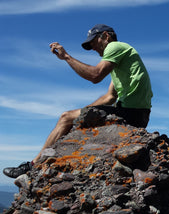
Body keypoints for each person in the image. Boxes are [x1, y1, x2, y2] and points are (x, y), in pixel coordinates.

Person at [3, 24, 153, 179]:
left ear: (106, 36)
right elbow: (109, 97)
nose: (93, 47)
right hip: (137, 114)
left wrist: (66, 57)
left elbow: (95, 75)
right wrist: (84, 112)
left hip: (131, 113)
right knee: (72, 118)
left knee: (65, 117)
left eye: (94, 42)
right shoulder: (121, 62)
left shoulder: (114, 47)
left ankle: (32, 166)